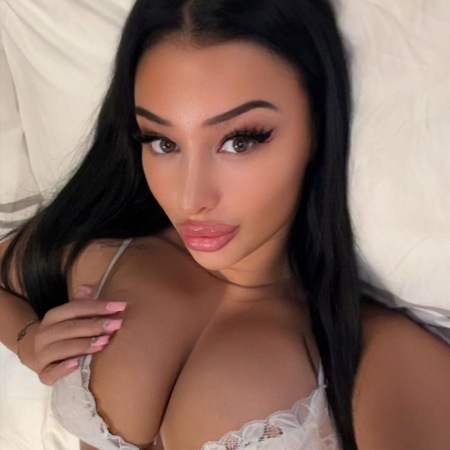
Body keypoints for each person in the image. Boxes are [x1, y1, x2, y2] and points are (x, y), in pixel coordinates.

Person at [0, 0, 449, 449]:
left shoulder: (378, 357)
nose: (190, 198)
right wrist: (27, 340)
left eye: (240, 142)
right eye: (162, 142)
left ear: (316, 125)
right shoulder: (106, 254)